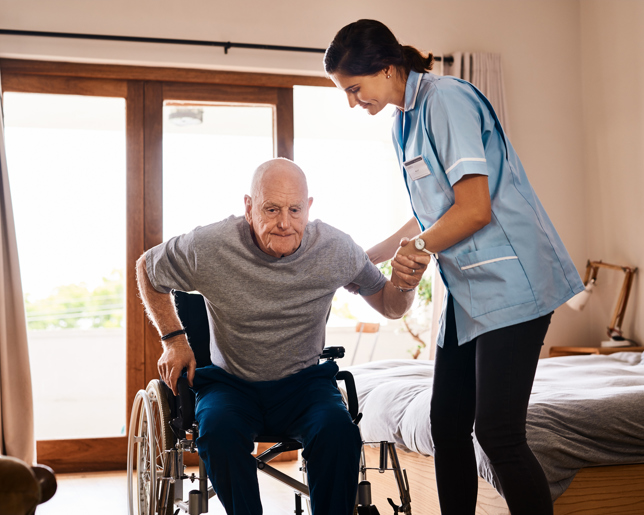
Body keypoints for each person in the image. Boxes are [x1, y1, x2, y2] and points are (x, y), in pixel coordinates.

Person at [324, 19, 584, 515]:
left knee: (497, 433)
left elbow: (475, 208)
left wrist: (416, 248)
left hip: (512, 283)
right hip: (467, 293)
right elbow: (431, 213)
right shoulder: (404, 119)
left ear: (385, 68)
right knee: (446, 423)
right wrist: (367, 256)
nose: (354, 103)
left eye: (355, 89)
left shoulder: (447, 100)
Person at [135, 158, 429, 515]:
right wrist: (174, 340)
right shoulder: (210, 245)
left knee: (338, 432)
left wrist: (405, 283)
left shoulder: (335, 248)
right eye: (271, 209)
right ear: (248, 207)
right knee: (217, 432)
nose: (284, 223)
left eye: (294, 210)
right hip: (231, 384)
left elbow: (390, 305)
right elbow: (147, 269)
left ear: (308, 208)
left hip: (304, 385)